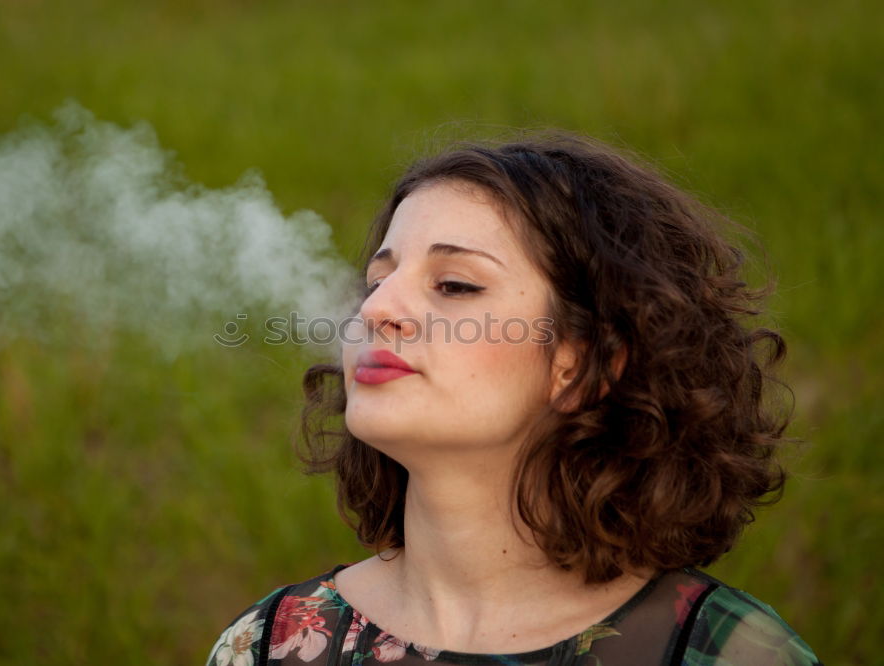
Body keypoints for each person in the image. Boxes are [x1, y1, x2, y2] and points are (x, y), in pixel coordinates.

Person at [206, 134, 822, 665]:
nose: (374, 310)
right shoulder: (269, 647)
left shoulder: (724, 652)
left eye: (454, 285)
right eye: (376, 281)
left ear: (582, 365)